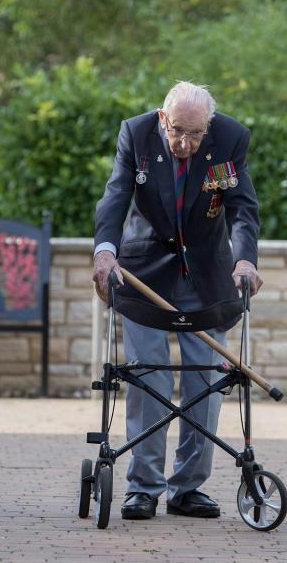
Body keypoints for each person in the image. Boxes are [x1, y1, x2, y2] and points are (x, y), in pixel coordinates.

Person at [92, 81, 262, 520]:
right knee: (149, 379)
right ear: (162, 118)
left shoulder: (230, 138)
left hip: (207, 274)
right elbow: (116, 196)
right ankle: (143, 486)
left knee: (204, 384)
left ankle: (187, 488)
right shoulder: (136, 133)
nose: (186, 144)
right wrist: (105, 252)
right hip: (144, 272)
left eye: (196, 134)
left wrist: (244, 261)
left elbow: (242, 208)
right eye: (178, 132)